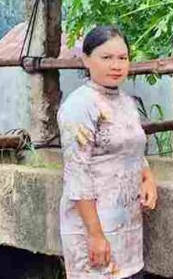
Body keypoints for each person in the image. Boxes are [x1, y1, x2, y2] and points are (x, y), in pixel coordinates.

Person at [57, 26, 157, 278]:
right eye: (106, 57)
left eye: (122, 58)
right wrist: (95, 235)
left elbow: (134, 147)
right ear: (86, 59)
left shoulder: (127, 103)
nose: (116, 65)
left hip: (128, 228)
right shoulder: (80, 105)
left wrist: (148, 177)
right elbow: (76, 173)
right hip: (93, 229)